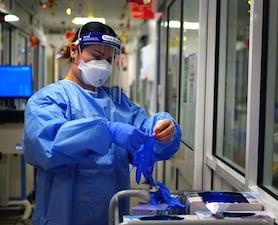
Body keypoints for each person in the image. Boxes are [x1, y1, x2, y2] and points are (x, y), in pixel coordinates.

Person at [23, 21, 181, 225]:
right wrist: (105, 131)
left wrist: (164, 128)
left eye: (108, 59)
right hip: (63, 216)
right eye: (96, 57)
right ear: (74, 50)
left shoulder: (118, 102)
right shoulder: (47, 99)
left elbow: (146, 135)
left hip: (112, 215)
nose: (103, 65)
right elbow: (48, 146)